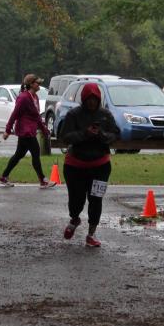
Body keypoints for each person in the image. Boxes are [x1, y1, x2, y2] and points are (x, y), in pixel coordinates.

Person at [57, 82, 121, 247]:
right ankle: (74, 218)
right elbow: (65, 137)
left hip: (100, 166)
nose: (92, 102)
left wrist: (102, 135)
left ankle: (91, 234)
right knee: (76, 199)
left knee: (96, 199)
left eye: (95, 99)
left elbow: (115, 134)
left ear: (99, 99)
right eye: (89, 100)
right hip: (75, 166)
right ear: (83, 99)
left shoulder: (105, 114)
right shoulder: (73, 114)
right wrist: (84, 134)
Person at [0, 74, 53, 188]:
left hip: (30, 131)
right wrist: (8, 130)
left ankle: (4, 176)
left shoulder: (35, 97)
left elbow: (37, 116)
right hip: (25, 131)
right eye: (38, 83)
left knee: (19, 155)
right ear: (31, 84)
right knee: (36, 152)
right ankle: (43, 180)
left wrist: (44, 130)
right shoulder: (23, 98)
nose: (39, 85)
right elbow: (15, 114)